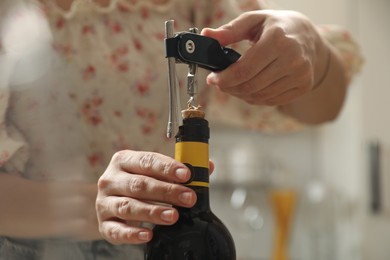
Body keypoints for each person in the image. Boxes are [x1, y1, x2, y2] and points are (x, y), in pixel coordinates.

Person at [0, 0, 363, 259]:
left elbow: (324, 106)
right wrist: (94, 207)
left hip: (156, 247)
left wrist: (311, 47)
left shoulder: (193, 4)